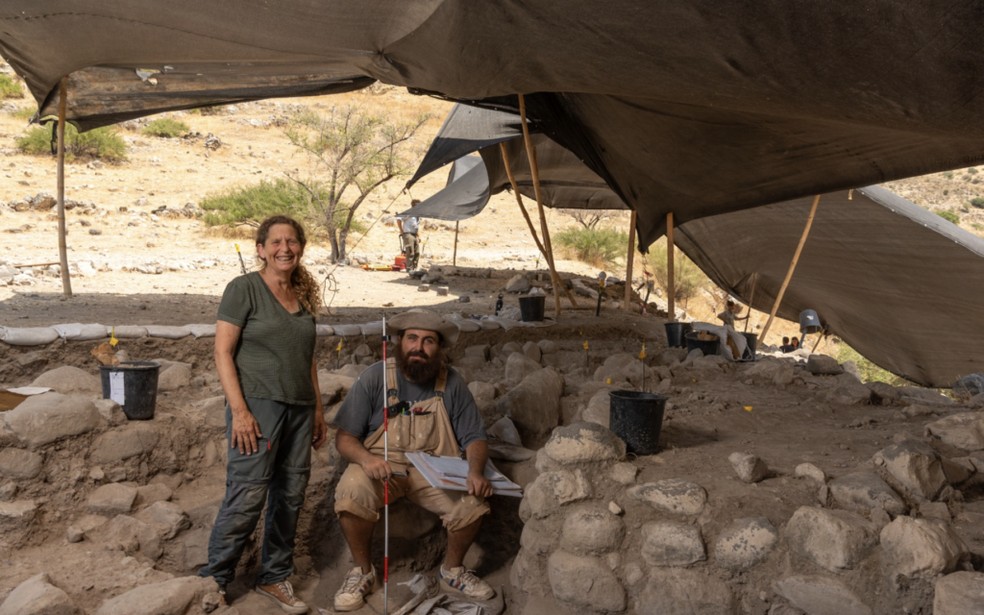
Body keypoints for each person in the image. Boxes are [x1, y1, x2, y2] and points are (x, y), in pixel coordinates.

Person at [199, 215, 327, 614]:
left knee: (290, 496)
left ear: (301, 248)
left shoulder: (303, 296)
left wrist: (319, 409)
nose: (284, 248)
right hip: (258, 406)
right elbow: (222, 352)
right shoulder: (244, 289)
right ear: (261, 249)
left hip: (301, 409)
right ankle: (214, 580)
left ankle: (274, 577)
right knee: (248, 494)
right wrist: (239, 411)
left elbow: (307, 360)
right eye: (275, 242)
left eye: (292, 241)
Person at [331, 309, 494, 612]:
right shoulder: (375, 378)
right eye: (412, 338)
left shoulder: (452, 384)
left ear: (439, 348)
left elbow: (475, 437)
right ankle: (362, 572)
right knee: (351, 490)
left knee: (473, 503)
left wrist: (475, 471)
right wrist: (366, 460)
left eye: (429, 341)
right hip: (381, 469)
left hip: (433, 472)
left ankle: (453, 571)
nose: (419, 347)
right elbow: (344, 438)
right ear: (399, 342)